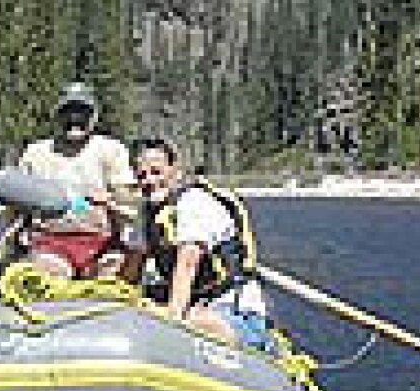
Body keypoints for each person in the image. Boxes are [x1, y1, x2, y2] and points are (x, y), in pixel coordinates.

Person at [129, 137, 277, 354]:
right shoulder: (148, 213)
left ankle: (257, 343)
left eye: (156, 172)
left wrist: (172, 319)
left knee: (192, 321)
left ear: (174, 170)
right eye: (142, 175)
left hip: (231, 307)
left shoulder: (194, 204)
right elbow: (133, 264)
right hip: (194, 300)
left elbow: (188, 264)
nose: (149, 181)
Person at [15, 82, 140, 279]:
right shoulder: (35, 154)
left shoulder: (111, 150)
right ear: (57, 115)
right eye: (68, 112)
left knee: (113, 278)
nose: (74, 118)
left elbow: (131, 205)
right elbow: (17, 208)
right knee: (46, 278)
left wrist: (108, 201)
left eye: (82, 112)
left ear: (93, 116)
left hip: (102, 244)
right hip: (51, 244)